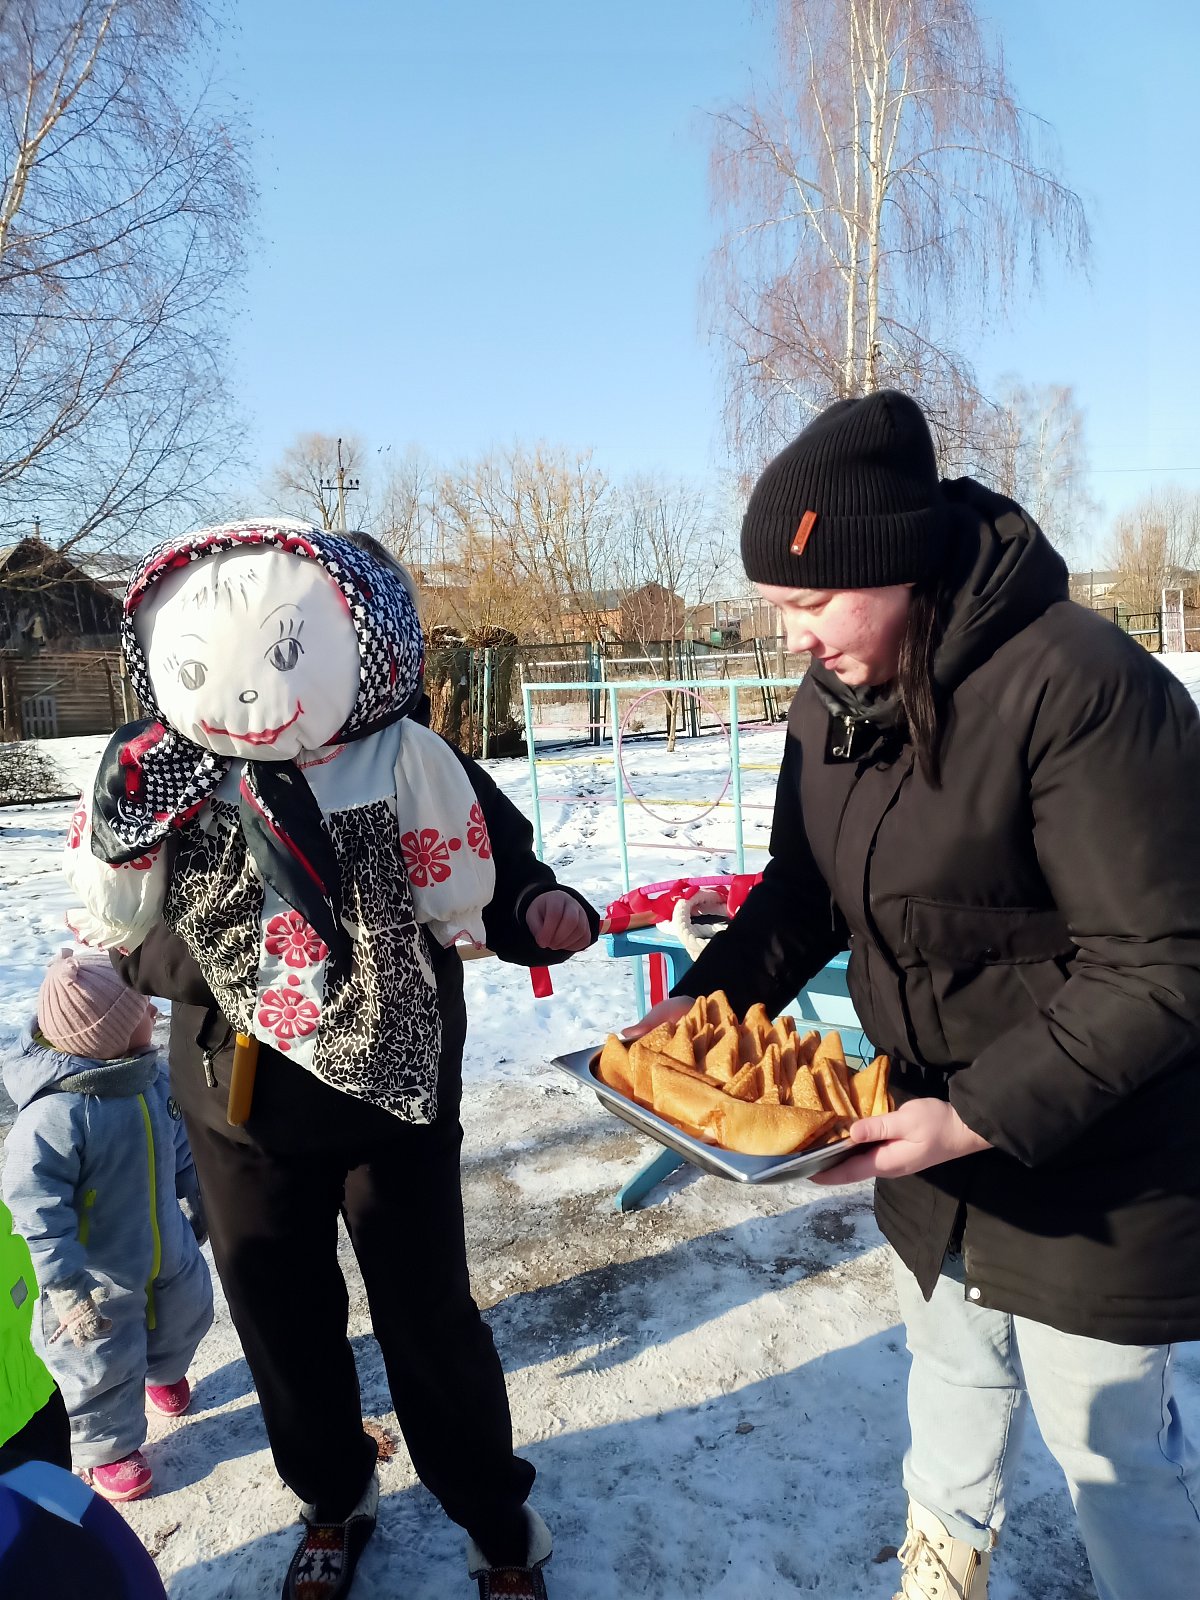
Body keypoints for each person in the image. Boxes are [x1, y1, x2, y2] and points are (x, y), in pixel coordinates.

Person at [629, 391, 1200, 1600]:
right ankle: (942, 1575)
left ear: (895, 562)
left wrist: (975, 1114)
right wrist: (699, 1006)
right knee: (949, 1384)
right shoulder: (832, 701)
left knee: (1110, 1458)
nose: (791, 636)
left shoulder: (1082, 687)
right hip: (924, 1137)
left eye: (810, 602)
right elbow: (802, 893)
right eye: (777, 607)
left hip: (1093, 1161)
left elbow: (1163, 964)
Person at [64, 519, 598, 1600]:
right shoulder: (160, 778)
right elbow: (130, 935)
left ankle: (493, 1513)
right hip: (238, 1098)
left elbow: (498, 867)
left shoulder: (405, 757)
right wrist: (253, 961)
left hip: (396, 1093)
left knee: (428, 1313)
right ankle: (333, 1496)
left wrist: (538, 909)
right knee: (280, 1316)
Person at [1, 950, 212, 1502]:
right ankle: (107, 1446)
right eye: (141, 1008)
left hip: (166, 1244)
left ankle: (163, 1371)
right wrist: (65, 1287)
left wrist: (199, 1195)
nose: (154, 1012)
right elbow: (35, 1211)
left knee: (184, 1313)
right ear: (106, 1036)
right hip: (96, 1276)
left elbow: (180, 1144)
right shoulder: (53, 1119)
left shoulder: (152, 1078)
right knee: (98, 1359)